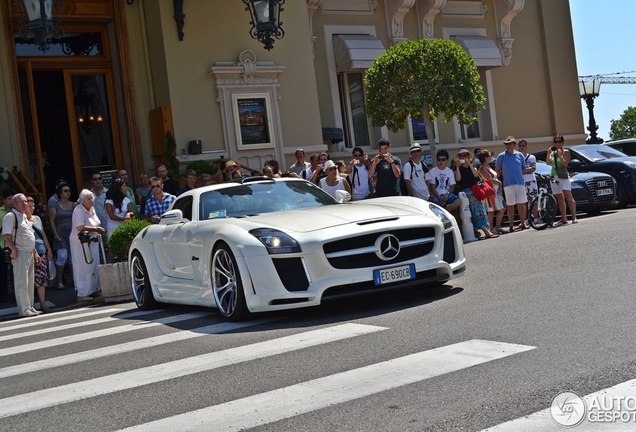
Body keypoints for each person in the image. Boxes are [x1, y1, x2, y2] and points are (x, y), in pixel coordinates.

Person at [2, 193, 41, 317]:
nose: (25, 204)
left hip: (28, 252)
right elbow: (6, 235)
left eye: (25, 201)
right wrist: (13, 250)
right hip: (20, 252)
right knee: (22, 282)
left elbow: (28, 235)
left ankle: (30, 306)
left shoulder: (23, 216)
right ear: (14, 204)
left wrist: (35, 252)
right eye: (21, 202)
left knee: (29, 282)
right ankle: (24, 309)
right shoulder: (11, 216)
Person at [70, 189, 106, 301]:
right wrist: (96, 228)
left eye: (92, 198)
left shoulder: (92, 209)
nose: (91, 200)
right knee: (83, 268)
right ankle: (82, 294)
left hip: (93, 241)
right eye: (88, 199)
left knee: (94, 266)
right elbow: (80, 227)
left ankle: (94, 290)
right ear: (82, 200)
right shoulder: (78, 210)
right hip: (81, 243)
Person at [454, 148, 498, 239]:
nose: (463, 157)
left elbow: (476, 175)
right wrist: (458, 167)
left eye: (465, 155)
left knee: (481, 209)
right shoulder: (457, 168)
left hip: (475, 190)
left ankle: (487, 231)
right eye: (461, 156)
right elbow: (458, 179)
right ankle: (487, 232)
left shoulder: (472, 165)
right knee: (475, 211)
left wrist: (469, 164)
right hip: (465, 192)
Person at [495, 136, 529, 232]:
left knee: (521, 203)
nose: (508, 146)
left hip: (519, 182)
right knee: (510, 205)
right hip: (508, 183)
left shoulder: (520, 155)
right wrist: (503, 175)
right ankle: (511, 225)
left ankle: (523, 223)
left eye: (510, 144)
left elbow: (523, 168)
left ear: (514, 145)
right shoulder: (501, 156)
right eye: (507, 144)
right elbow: (497, 169)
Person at [26, 196, 53, 313]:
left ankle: (43, 303)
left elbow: (43, 235)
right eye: (29, 206)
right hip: (29, 251)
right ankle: (30, 305)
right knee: (30, 279)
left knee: (41, 278)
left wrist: (49, 249)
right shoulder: (21, 219)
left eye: (33, 206)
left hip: (41, 249)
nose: (32, 208)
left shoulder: (37, 218)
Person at [49, 182, 76, 290]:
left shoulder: (73, 205)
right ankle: (59, 281)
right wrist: (55, 233)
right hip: (61, 234)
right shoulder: (54, 205)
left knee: (73, 258)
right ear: (60, 193)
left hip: (73, 234)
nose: (68, 193)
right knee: (62, 257)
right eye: (65, 191)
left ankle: (75, 280)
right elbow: (51, 221)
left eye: (69, 191)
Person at [546, 134, 577, 226]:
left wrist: (560, 156)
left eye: (559, 141)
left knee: (568, 196)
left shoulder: (566, 152)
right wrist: (548, 153)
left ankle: (574, 216)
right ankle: (564, 218)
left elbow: (565, 164)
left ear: (563, 142)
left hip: (563, 176)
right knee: (560, 198)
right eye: (556, 142)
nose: (557, 143)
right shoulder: (552, 153)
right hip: (554, 175)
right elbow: (548, 162)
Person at [478, 150, 506, 234]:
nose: (491, 157)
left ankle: (497, 227)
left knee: (502, 208)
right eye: (489, 156)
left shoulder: (488, 167)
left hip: (496, 191)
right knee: (491, 210)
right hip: (490, 191)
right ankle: (491, 228)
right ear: (485, 158)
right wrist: (498, 182)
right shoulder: (482, 168)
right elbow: (488, 179)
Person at [0, 189, 16, 303]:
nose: (11, 201)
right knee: (2, 271)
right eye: (9, 199)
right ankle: (3, 294)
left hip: (16, 244)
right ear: (4, 200)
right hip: (2, 245)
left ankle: (17, 292)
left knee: (16, 270)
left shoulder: (17, 211)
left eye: (13, 199)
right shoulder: (0, 212)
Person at [518, 139, 538, 223]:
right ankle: (525, 219)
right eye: (520, 146)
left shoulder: (531, 157)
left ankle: (536, 218)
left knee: (533, 200)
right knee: (523, 201)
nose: (522, 147)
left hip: (531, 180)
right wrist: (526, 169)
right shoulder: (517, 157)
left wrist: (523, 170)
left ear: (527, 146)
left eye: (523, 145)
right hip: (521, 181)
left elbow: (533, 168)